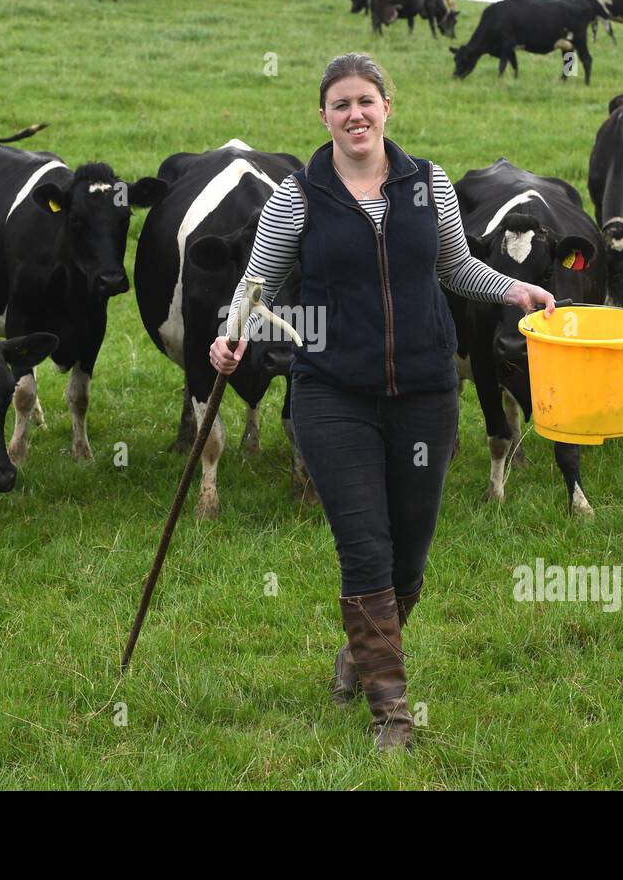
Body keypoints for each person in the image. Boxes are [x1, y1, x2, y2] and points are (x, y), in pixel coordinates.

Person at [210, 53, 555, 751]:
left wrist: (512, 290)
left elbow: (454, 266)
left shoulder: (428, 183)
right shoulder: (297, 197)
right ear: (324, 117)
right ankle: (391, 714)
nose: (355, 114)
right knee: (365, 548)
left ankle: (360, 654)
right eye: (340, 104)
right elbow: (257, 285)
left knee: (410, 555)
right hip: (332, 395)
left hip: (426, 392)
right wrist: (229, 335)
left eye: (365, 100)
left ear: (387, 108)